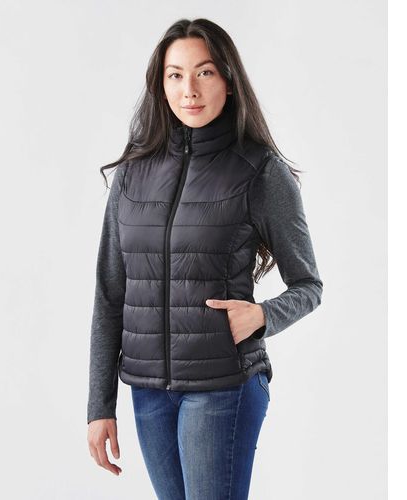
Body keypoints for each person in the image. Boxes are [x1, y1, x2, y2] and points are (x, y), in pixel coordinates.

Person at [87, 18, 323, 500]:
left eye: (205, 72)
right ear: (161, 84)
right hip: (148, 391)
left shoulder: (259, 170)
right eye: (175, 75)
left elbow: (308, 286)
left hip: (223, 386)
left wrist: (262, 315)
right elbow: (111, 293)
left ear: (229, 81)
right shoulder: (133, 172)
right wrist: (99, 406)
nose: (189, 90)